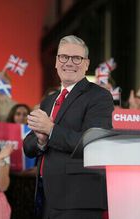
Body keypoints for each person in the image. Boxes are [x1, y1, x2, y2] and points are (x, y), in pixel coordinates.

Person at [23, 35, 114, 219]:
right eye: (63, 57)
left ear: (86, 64)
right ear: (56, 61)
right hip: (47, 197)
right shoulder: (49, 100)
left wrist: (50, 131)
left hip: (79, 199)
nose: (69, 63)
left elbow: (92, 144)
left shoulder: (99, 97)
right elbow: (28, 147)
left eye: (76, 58)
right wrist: (41, 140)